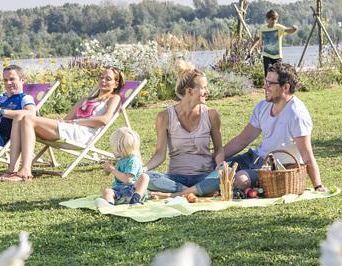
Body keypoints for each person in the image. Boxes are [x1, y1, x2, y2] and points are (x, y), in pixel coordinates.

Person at [194, 62, 326, 196]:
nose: (264, 86)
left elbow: (307, 155)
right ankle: (186, 189)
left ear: (285, 87)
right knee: (213, 169)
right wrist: (215, 157)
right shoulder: (263, 106)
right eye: (265, 82)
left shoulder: (297, 114)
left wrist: (318, 186)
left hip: (275, 168)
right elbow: (242, 140)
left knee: (240, 179)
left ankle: (201, 191)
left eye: (270, 84)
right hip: (254, 158)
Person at [0, 66, 125, 181]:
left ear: (115, 83)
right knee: (20, 116)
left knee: (27, 117)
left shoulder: (114, 98)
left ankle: (25, 171)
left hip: (83, 133)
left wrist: (75, 122)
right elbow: (66, 119)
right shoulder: (85, 99)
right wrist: (64, 121)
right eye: (101, 77)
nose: (103, 81)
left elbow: (104, 120)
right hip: (69, 128)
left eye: (108, 79)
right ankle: (11, 170)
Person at [144, 61, 224, 196]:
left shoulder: (212, 115)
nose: (207, 91)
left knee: (219, 177)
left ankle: (175, 194)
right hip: (175, 179)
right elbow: (159, 154)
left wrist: (220, 166)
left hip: (203, 176)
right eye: (204, 88)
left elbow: (218, 149)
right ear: (190, 91)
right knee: (147, 178)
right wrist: (143, 169)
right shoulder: (164, 117)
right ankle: (193, 191)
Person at [98, 127, 149, 206]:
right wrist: (107, 169)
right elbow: (113, 174)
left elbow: (127, 179)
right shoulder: (121, 160)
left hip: (132, 190)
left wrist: (112, 169)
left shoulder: (133, 160)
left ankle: (135, 200)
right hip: (119, 191)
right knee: (107, 191)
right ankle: (109, 204)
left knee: (144, 177)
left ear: (119, 148)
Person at [249, 9, 297, 75]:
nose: (273, 21)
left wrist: (294, 29)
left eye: (275, 19)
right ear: (267, 19)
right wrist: (251, 49)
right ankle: (267, 85)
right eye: (271, 19)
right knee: (268, 73)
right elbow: (257, 38)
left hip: (277, 57)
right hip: (267, 55)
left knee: (278, 75)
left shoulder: (279, 27)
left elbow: (288, 30)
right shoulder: (262, 29)